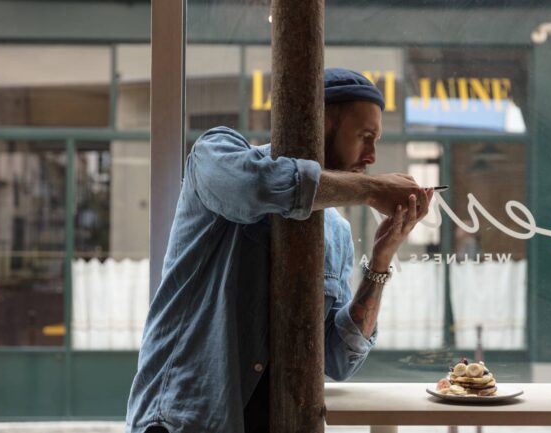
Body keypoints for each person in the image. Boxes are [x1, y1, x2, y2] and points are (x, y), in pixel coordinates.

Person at [125, 68, 434, 433]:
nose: (371, 156)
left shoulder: (336, 232)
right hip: (184, 422)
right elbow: (257, 188)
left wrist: (381, 260)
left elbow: (338, 359)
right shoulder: (217, 156)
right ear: (320, 123)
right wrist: (370, 190)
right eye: (365, 137)